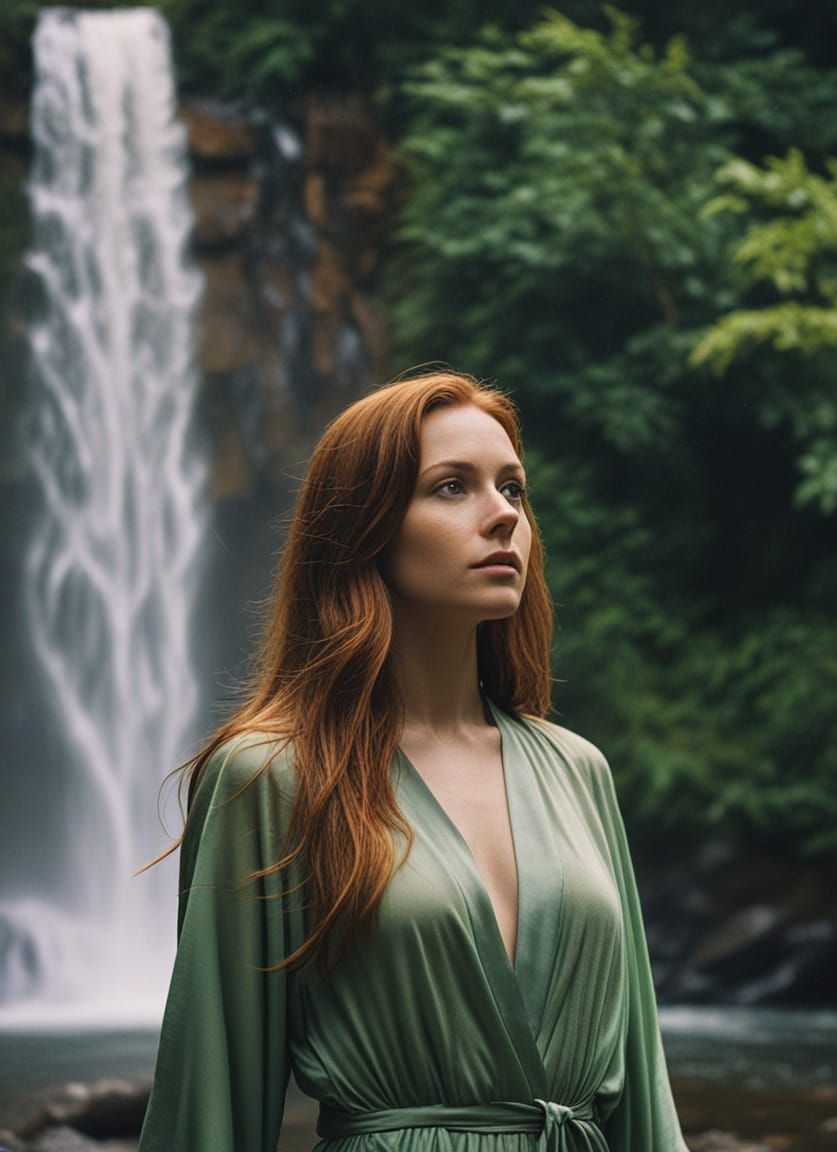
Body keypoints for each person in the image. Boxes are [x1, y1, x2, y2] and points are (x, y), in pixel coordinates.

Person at [138, 369, 689, 1152]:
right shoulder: (272, 777)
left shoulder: (578, 773)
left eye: (513, 488)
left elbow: (644, 1101)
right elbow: (211, 1100)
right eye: (452, 487)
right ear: (363, 526)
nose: (503, 514)